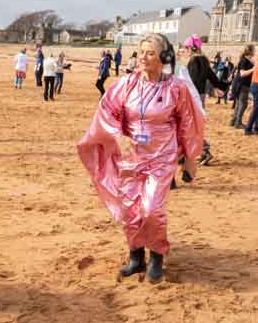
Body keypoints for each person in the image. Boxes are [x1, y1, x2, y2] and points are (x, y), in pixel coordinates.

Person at [77, 33, 204, 284]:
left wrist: (189, 157)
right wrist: (117, 136)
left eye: (150, 53)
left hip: (161, 155)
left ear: (164, 58)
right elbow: (106, 113)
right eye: (141, 52)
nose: (143, 58)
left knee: (151, 209)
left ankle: (157, 256)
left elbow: (187, 123)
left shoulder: (176, 88)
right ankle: (136, 257)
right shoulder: (126, 85)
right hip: (130, 156)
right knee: (130, 209)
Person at [184, 34, 224, 165]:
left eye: (187, 48)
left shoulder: (195, 61)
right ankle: (194, 153)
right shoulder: (203, 60)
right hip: (198, 97)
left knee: (191, 128)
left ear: (192, 48)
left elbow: (192, 82)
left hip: (193, 98)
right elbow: (212, 77)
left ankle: (204, 151)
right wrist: (221, 86)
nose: (185, 50)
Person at [230, 45, 255, 128]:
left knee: (238, 103)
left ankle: (233, 121)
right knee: (243, 104)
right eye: (254, 50)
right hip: (242, 84)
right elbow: (242, 73)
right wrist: (253, 69)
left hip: (239, 83)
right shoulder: (244, 60)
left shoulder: (245, 59)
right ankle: (238, 123)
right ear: (250, 51)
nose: (255, 51)